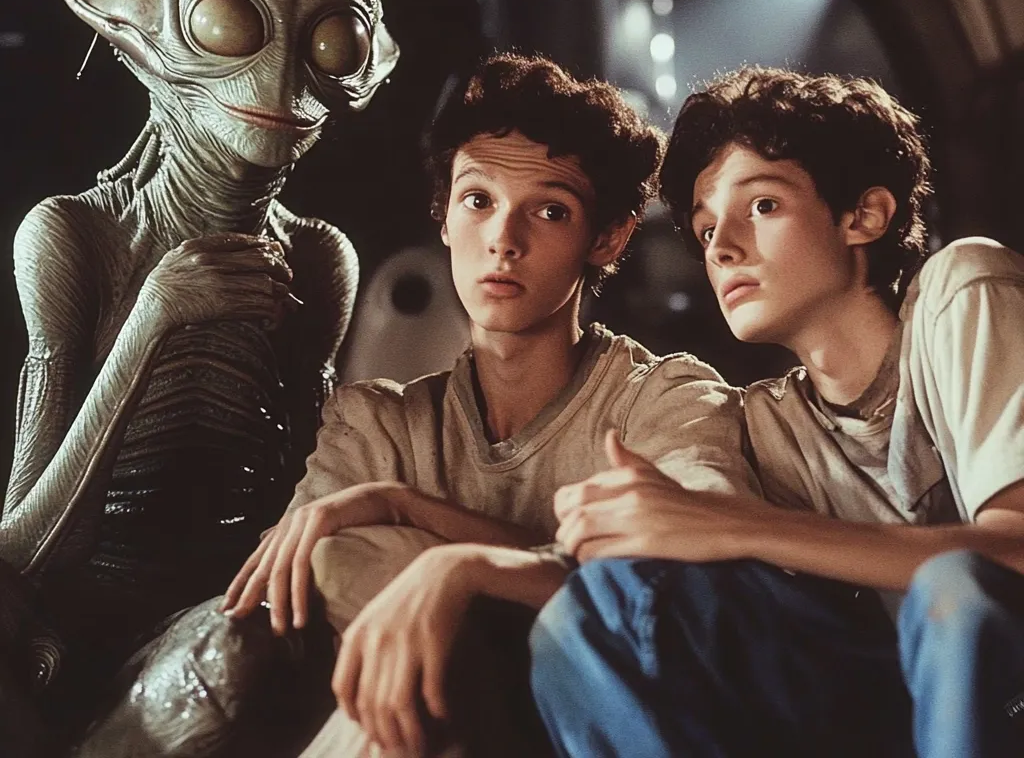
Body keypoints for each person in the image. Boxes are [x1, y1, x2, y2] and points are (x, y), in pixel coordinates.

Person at [74, 52, 758, 758]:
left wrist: (430, 536)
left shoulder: (667, 401)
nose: (503, 240)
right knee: (343, 568)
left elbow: (694, 593)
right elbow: (283, 603)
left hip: (600, 732)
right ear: (444, 218)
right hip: (398, 729)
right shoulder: (375, 424)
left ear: (607, 236)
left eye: (550, 211)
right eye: (478, 201)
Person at [533, 66, 1024, 758]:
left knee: (956, 587)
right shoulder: (766, 424)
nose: (723, 248)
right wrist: (454, 566)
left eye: (762, 206)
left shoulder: (961, 292)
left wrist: (739, 525)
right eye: (706, 230)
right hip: (891, 713)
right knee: (595, 609)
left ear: (864, 215)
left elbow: (1013, 552)